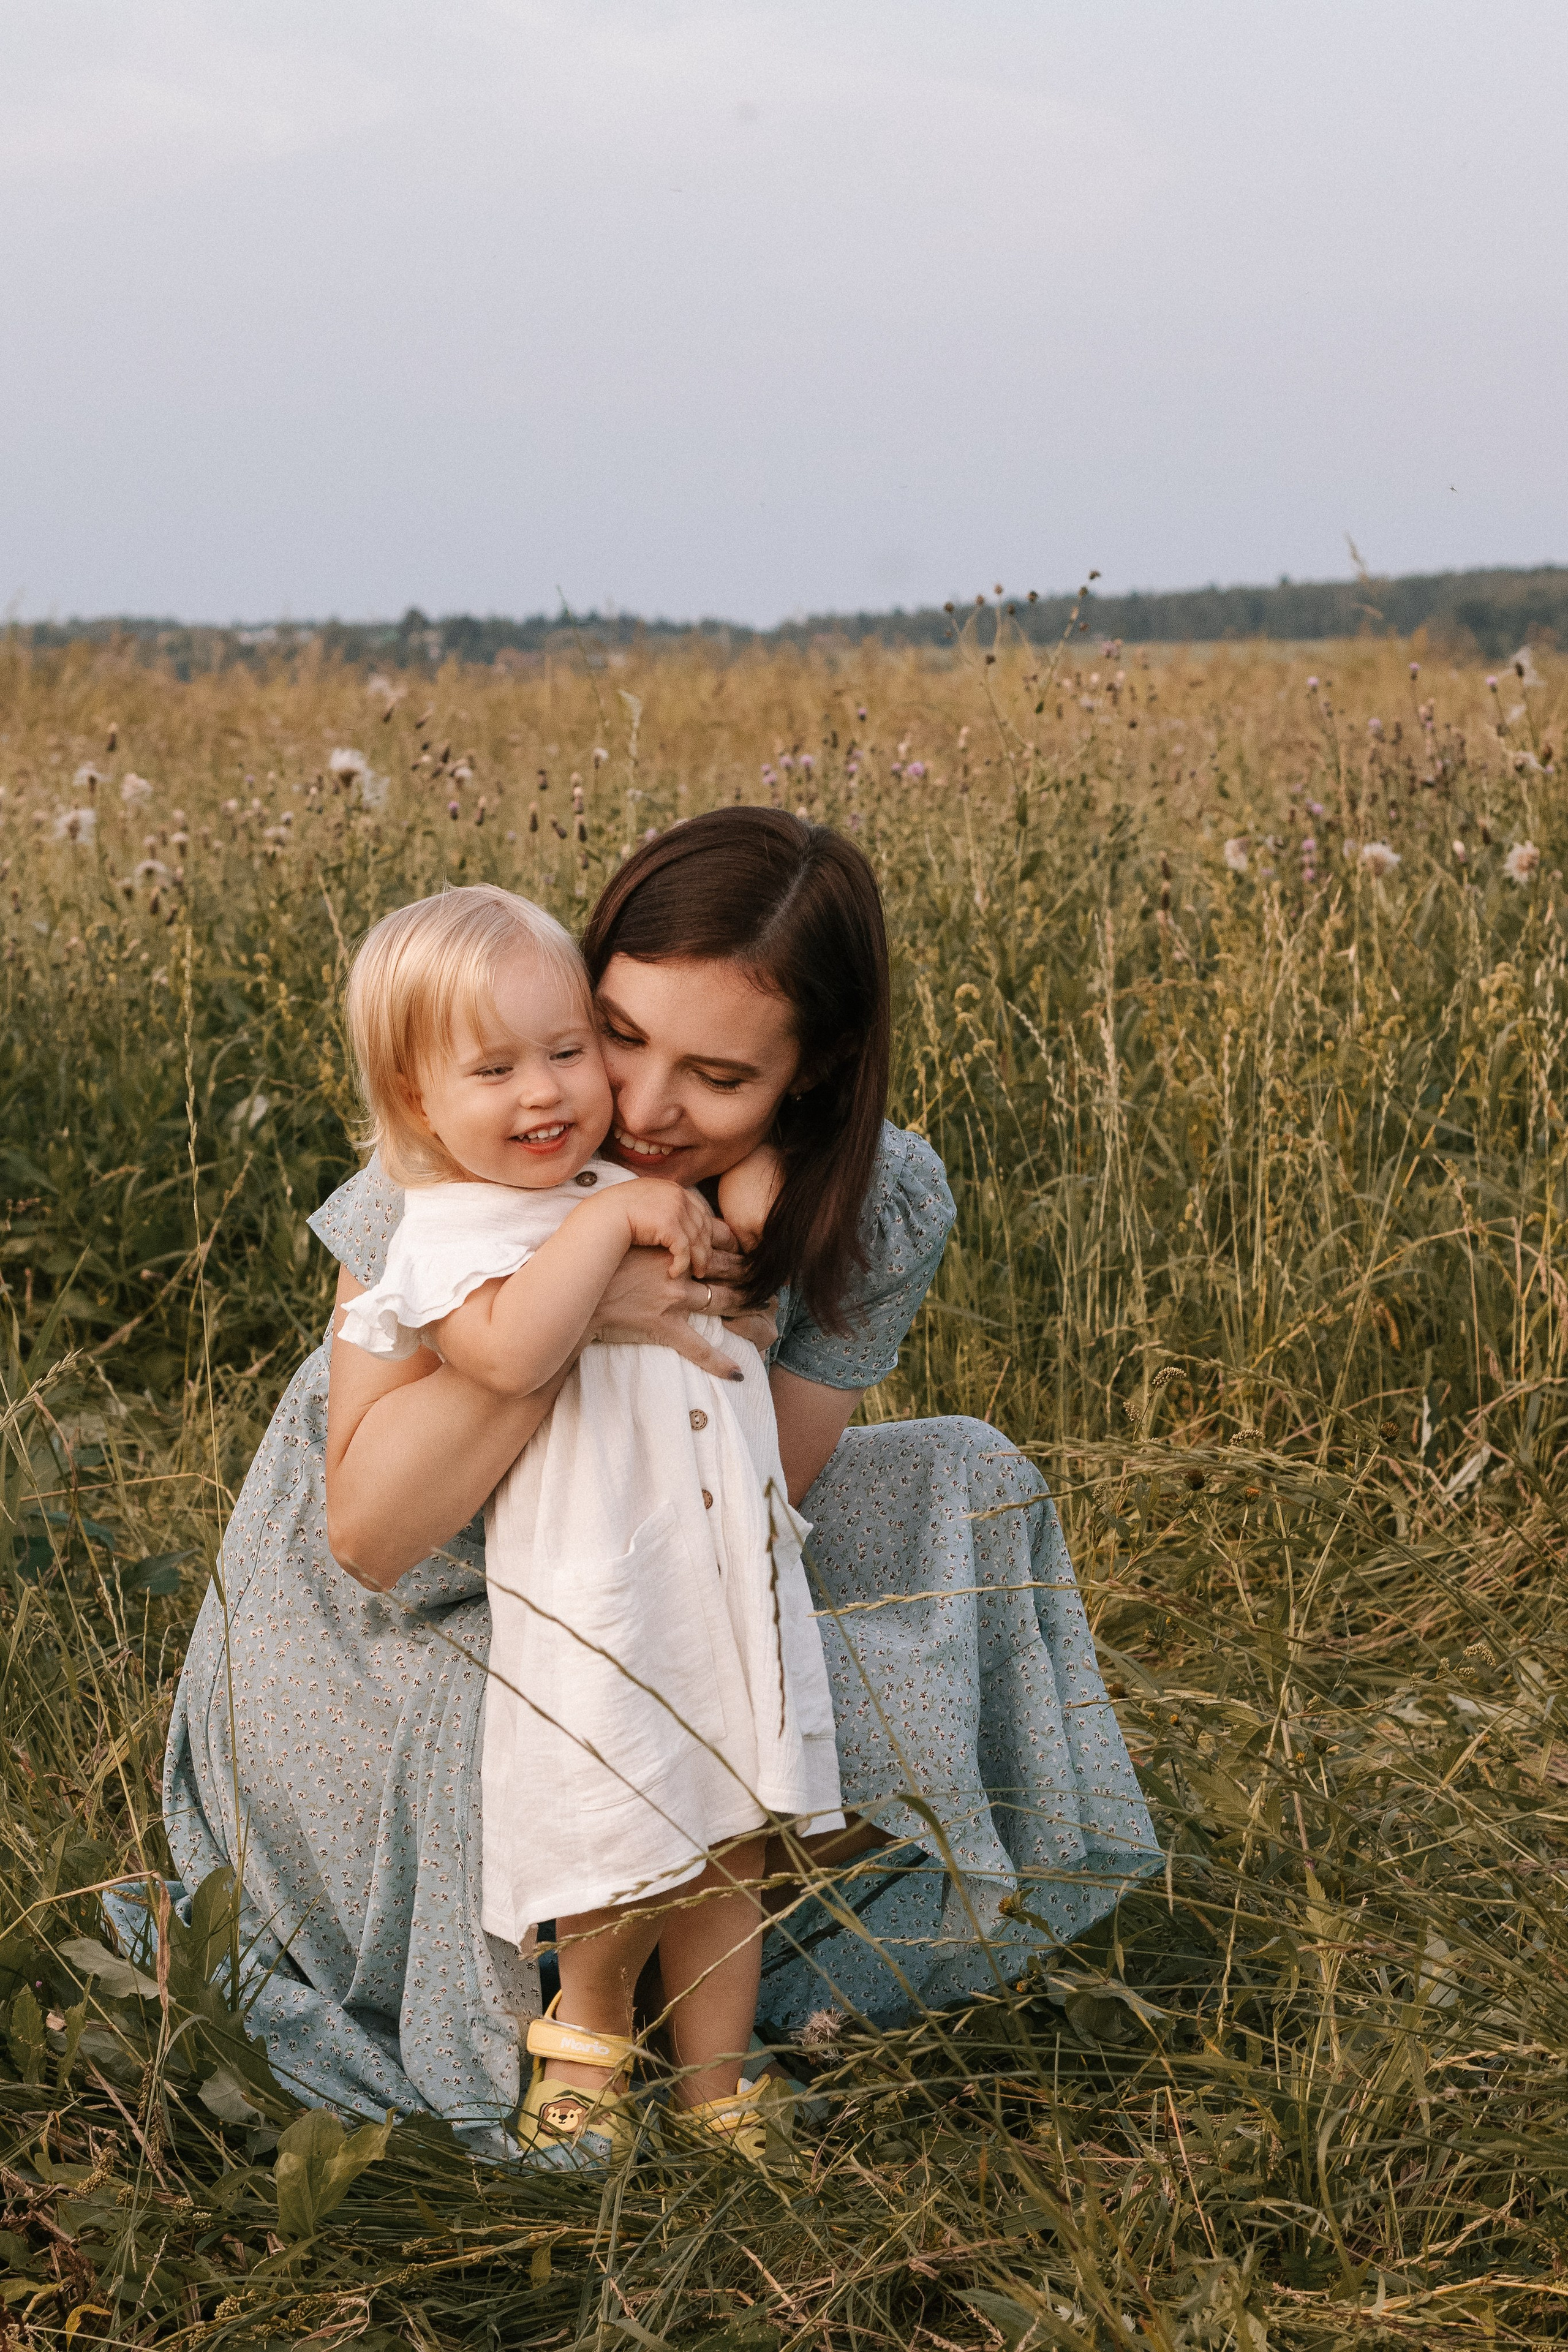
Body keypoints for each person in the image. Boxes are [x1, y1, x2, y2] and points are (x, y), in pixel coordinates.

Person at [163, 808, 1159, 2144]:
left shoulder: (872, 1193)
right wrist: (591, 1301)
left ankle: (700, 1993)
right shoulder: (473, 1142)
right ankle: (588, 1998)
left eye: (716, 1077)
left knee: (955, 1486)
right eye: (617, 1035)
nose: (633, 1109)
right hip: (393, 1619)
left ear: (809, 1078)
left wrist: (734, 1249)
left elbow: (762, 1509)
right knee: (600, 1719)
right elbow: (369, 1533)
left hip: (637, 1552)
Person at [335, 883, 839, 2165]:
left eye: (566, 1052)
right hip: (593, 1580)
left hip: (719, 1566)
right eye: (494, 1069)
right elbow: (503, 1355)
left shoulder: (617, 1170)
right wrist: (609, 1225)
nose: (548, 1092)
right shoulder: (453, 1226)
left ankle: (715, 2087)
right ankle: (586, 2042)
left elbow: (741, 1252)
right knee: (618, 1830)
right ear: (415, 1100)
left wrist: (755, 1169)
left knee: (730, 1833)